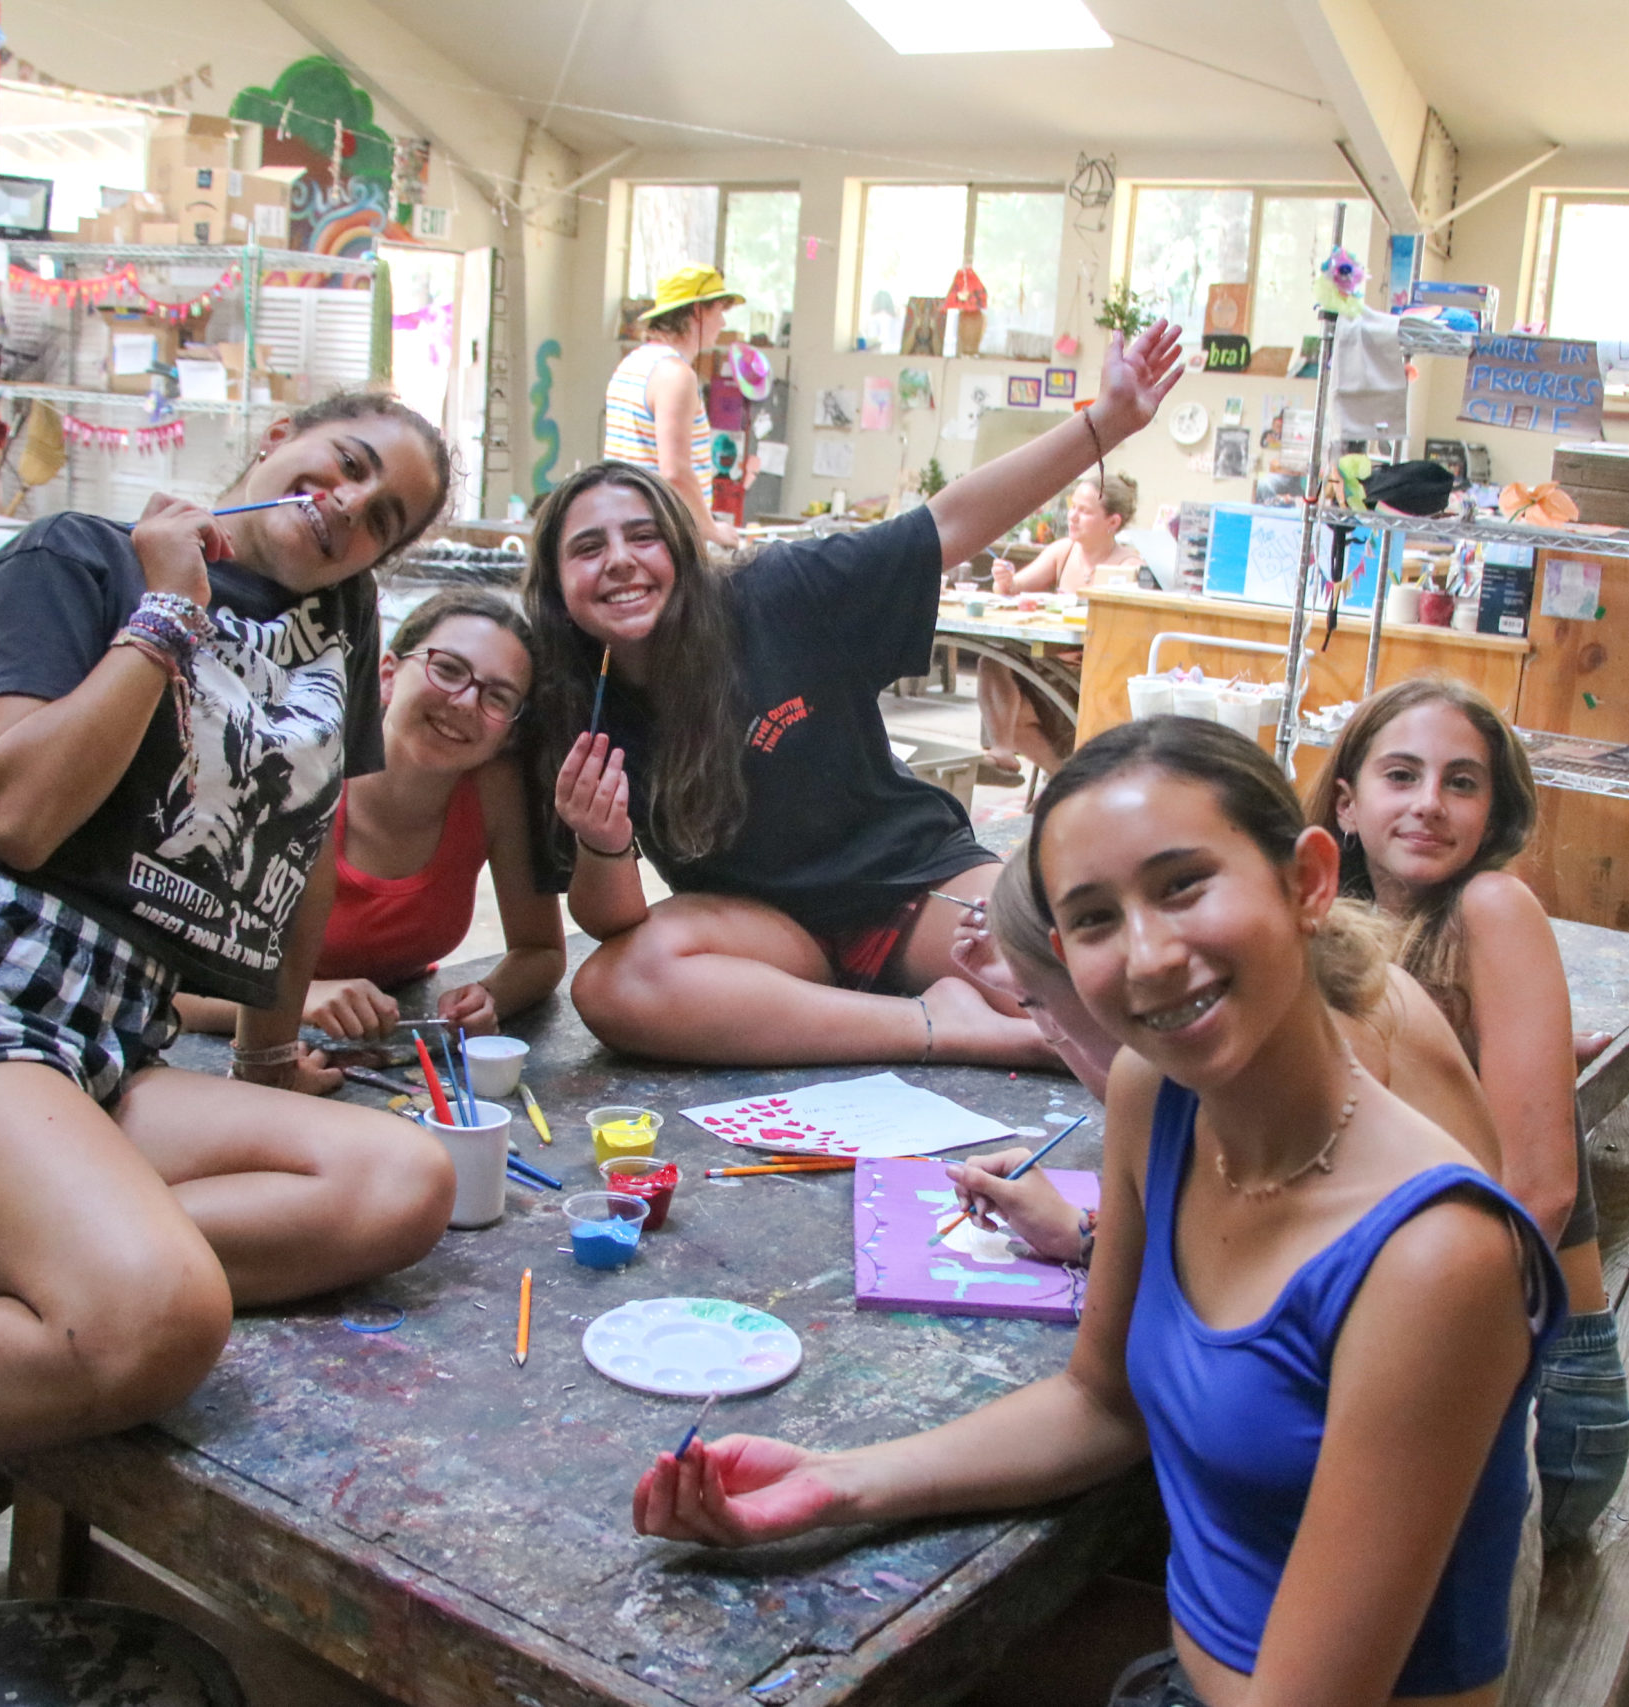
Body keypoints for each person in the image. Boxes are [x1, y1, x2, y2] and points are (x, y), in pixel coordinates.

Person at [0, 393, 460, 1703]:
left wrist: (266, 1058)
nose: (350, 508)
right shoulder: (78, 553)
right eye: (346, 465)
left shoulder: (336, 627)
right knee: (158, 1318)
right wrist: (164, 615)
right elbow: (19, 817)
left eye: (385, 519)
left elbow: (300, 855)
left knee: (403, 1180)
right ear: (280, 435)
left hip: (105, 1041)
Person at [633, 717, 1564, 1707]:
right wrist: (833, 1480)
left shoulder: (1433, 1256)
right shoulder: (1156, 1100)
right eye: (1094, 919)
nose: (1149, 955)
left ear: (1308, 881)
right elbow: (1100, 1402)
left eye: (1183, 885)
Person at [533, 319, 1189, 1069]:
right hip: (769, 938)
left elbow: (947, 523)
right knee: (612, 987)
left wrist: (1106, 421)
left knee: (1105, 1003)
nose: (619, 561)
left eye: (643, 536)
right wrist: (602, 840)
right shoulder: (573, 701)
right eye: (588, 548)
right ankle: (947, 1028)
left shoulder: (778, 594)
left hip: (915, 887)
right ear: (557, 586)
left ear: (680, 550)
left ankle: (894, 1016)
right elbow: (609, 920)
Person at [1309, 676, 1629, 1550]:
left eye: (1461, 782)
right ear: (1347, 803)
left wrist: (1389, 1361)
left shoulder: (1492, 907)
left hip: (1549, 1392)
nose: (1429, 803)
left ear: (1492, 814)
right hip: (1452, 1327)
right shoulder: (1341, 931)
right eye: (1401, 775)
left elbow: (1541, 1194)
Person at [944, 822, 1501, 1265]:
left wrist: (1091, 1239)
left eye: (1039, 1000)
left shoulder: (1297, 1052)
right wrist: (1080, 1233)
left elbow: (1264, 1273)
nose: (1049, 1025)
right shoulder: (1222, 1033)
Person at [173, 589, 565, 1041]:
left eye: (497, 697)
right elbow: (174, 989)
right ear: (387, 674)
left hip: (390, 1039)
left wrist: (486, 997)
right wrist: (299, 1000)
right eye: (447, 669)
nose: (463, 702)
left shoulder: (495, 791)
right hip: (254, 1042)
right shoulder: (292, 767)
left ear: (509, 732)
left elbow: (540, 951)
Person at [976, 473, 1144, 783]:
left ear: (1113, 522)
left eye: (1085, 511)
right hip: (1048, 667)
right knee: (993, 661)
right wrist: (1004, 580)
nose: (1073, 516)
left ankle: (1064, 783)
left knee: (1013, 709)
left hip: (1087, 678)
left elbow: (1123, 630)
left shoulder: (1128, 567)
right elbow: (1013, 588)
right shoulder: (1063, 551)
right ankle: (1006, 753)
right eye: (1072, 506)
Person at [604, 264, 744, 549]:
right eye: (719, 312)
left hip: (626, 530)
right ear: (697, 311)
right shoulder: (675, 375)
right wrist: (711, 530)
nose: (722, 324)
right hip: (658, 537)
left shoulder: (632, 363)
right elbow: (675, 472)